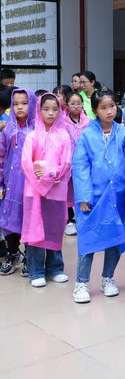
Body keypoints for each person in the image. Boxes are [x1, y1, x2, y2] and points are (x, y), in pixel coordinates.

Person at [72, 88, 125, 303]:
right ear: (95, 111)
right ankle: (81, 283)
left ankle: (108, 278)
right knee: (88, 238)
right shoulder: (86, 135)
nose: (109, 111)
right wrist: (83, 196)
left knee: (114, 239)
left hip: (118, 196)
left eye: (112, 106)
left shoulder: (124, 134)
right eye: (103, 108)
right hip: (93, 198)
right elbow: (80, 166)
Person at [20, 93, 72, 287]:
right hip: (34, 190)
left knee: (55, 228)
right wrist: (41, 179)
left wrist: (51, 173)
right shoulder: (32, 136)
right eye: (46, 109)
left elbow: (67, 163)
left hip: (56, 189)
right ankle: (36, 272)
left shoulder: (64, 135)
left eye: (55, 109)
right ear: (39, 110)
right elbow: (26, 164)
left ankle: (55, 268)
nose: (50, 113)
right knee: (35, 229)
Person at [0, 88, 37, 277]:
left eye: (24, 103)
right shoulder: (8, 129)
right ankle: (13, 252)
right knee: (8, 219)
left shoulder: (37, 129)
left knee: (29, 219)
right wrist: (1, 183)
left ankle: (31, 256)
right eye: (15, 104)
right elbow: (1, 157)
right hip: (10, 184)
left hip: (31, 184)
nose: (19, 107)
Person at [63, 92, 91, 236]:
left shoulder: (88, 122)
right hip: (68, 161)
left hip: (84, 162)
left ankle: (84, 220)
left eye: (79, 103)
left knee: (83, 189)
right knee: (67, 192)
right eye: (72, 103)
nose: (76, 106)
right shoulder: (62, 122)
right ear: (67, 105)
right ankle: (69, 221)